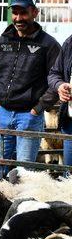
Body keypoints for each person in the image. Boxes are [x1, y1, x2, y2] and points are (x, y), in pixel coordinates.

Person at [0, 0, 61, 181]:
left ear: (34, 12)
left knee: (24, 173)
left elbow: (56, 79)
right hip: (2, 113)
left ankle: (20, 208)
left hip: (29, 116)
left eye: (23, 13)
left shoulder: (48, 44)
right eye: (15, 13)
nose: (18, 18)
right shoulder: (4, 40)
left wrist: (38, 109)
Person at [48, 34, 72, 167]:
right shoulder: (69, 43)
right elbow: (54, 73)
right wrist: (60, 86)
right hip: (70, 123)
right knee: (69, 177)